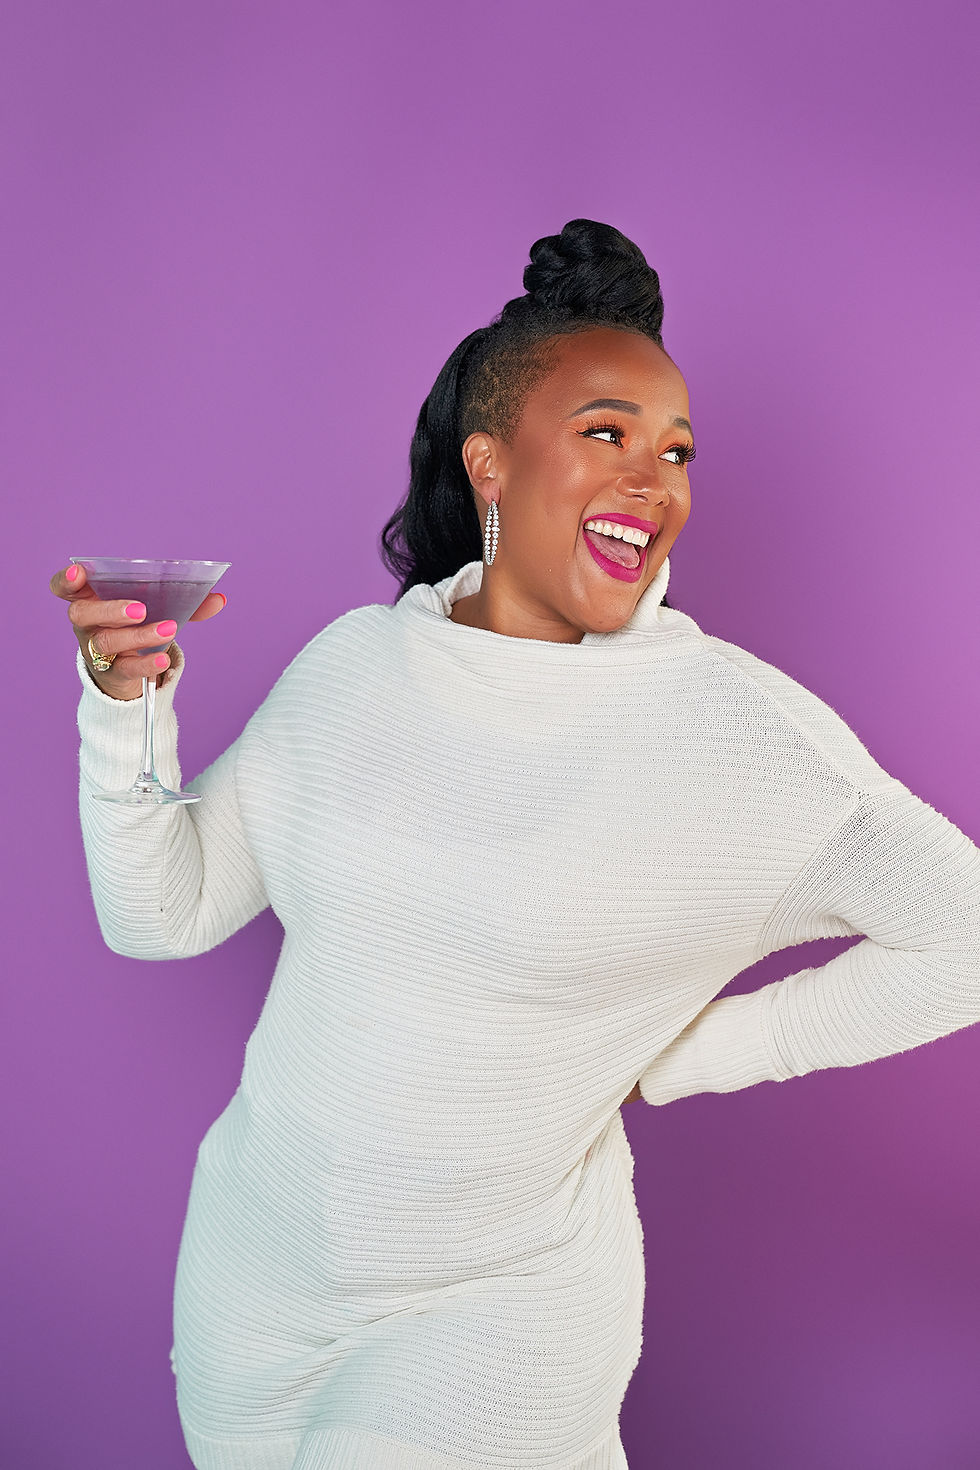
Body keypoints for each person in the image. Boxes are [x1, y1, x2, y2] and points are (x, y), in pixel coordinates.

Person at [52, 219, 980, 1470]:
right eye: (605, 433)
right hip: (251, 1281)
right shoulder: (358, 667)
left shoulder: (731, 733)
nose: (652, 482)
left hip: (495, 1312)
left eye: (676, 451)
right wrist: (124, 708)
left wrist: (701, 1054)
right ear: (490, 464)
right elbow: (161, 913)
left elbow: (961, 930)